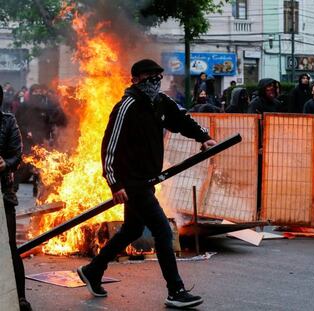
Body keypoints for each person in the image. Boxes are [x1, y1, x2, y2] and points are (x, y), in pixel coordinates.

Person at [77, 59, 216, 309]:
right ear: (136, 79)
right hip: (132, 182)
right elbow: (109, 147)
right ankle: (175, 290)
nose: (155, 81)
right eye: (149, 76)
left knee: (131, 230)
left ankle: (93, 270)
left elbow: (182, 119)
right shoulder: (126, 106)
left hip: (147, 179)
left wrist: (203, 138)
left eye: (157, 76)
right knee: (162, 231)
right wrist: (115, 183)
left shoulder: (161, 102)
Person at [0, 87, 32, 310]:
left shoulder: (8, 122)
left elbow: (17, 155)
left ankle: (19, 298)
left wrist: (6, 163)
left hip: (3, 192)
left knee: (10, 247)